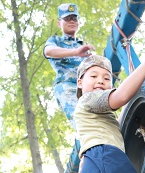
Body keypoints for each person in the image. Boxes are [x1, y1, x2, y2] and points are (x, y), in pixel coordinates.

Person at [74, 31, 145, 173]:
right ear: (80, 83)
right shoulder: (88, 98)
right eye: (93, 76)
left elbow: (115, 126)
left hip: (96, 160)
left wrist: (128, 106)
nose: (100, 80)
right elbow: (121, 96)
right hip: (104, 155)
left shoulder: (95, 114)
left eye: (107, 78)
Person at [43, 3, 94, 172]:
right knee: (83, 123)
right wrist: (75, 52)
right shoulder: (56, 41)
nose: (71, 21)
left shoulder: (83, 44)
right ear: (59, 23)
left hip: (87, 89)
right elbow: (49, 52)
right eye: (67, 18)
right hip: (67, 87)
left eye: (74, 18)